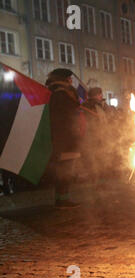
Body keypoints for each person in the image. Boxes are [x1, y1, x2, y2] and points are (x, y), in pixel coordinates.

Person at [46, 68, 82, 209]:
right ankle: (62, 200)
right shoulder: (61, 94)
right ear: (65, 79)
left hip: (65, 138)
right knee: (64, 170)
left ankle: (62, 199)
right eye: (69, 79)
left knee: (65, 169)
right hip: (64, 139)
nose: (71, 81)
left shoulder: (59, 93)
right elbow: (66, 116)